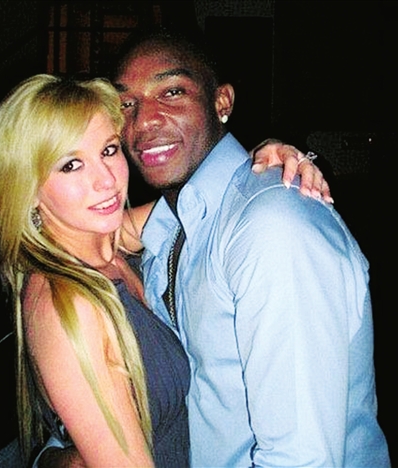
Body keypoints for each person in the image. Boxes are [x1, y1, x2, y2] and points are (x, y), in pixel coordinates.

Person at [0, 73, 324, 468]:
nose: (106, 180)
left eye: (108, 150)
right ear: (28, 188)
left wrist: (263, 158)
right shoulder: (69, 303)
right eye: (71, 165)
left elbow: (207, 199)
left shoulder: (107, 241)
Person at [111, 29, 390, 467]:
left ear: (221, 102)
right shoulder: (175, 223)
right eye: (126, 104)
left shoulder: (272, 226)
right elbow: (70, 232)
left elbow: (301, 459)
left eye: (172, 92)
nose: (143, 121)